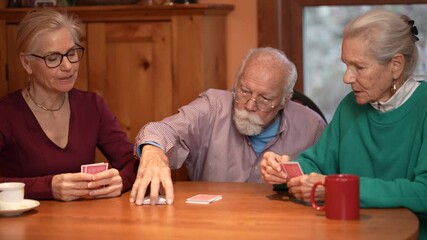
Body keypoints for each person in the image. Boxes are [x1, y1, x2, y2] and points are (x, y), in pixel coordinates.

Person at [260, 10, 426, 239]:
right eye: (346, 65)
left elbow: (423, 193)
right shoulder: (351, 105)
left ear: (396, 65)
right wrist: (285, 172)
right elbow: (316, 166)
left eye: (359, 67)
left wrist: (334, 189)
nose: (347, 78)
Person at [129, 47, 327, 205]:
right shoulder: (213, 106)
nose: (249, 105)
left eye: (264, 99)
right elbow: (161, 129)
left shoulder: (312, 126)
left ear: (285, 100)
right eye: (244, 91)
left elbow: (327, 185)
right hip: (213, 225)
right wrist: (154, 150)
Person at [0, 9, 138, 201]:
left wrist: (122, 181)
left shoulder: (92, 105)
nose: (68, 66)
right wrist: (48, 188)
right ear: (26, 63)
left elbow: (134, 163)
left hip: (83, 223)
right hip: (22, 226)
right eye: (53, 58)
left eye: (71, 53)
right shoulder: (5, 113)